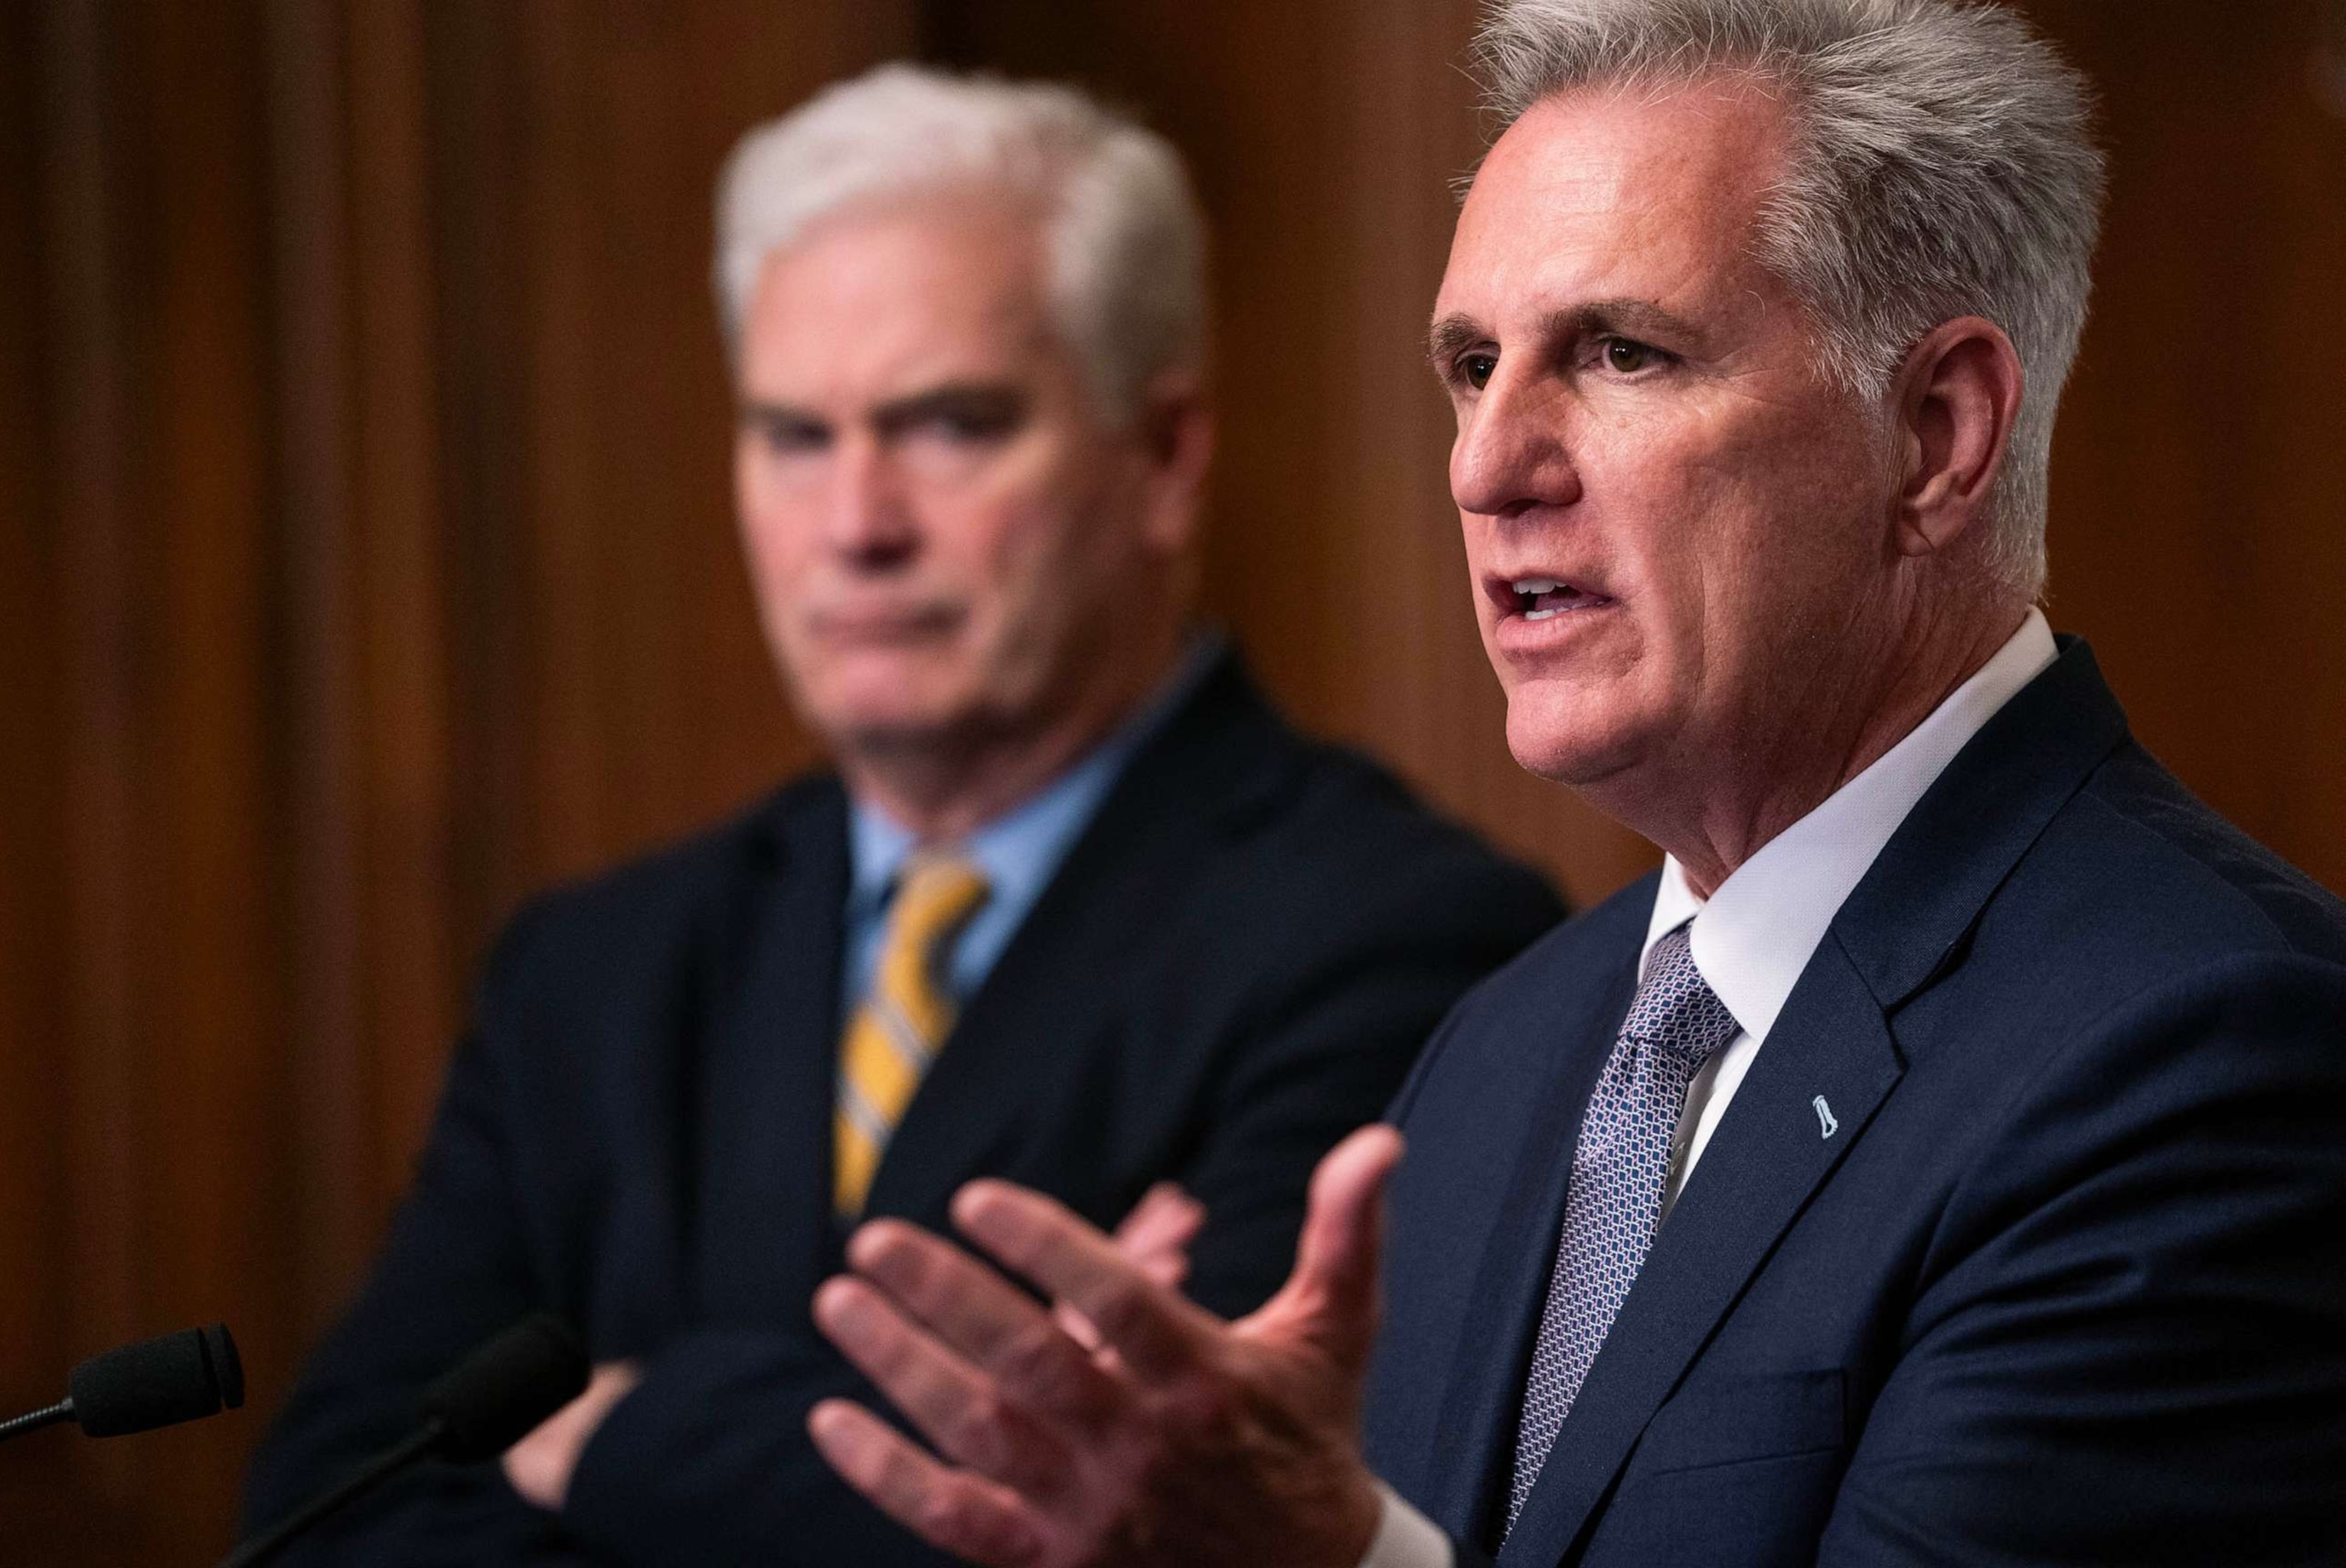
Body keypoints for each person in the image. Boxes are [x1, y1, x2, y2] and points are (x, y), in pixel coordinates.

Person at [800, 5, 2346, 1566]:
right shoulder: (1507, 1044)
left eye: (1620, 352)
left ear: (1937, 434)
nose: (1487, 465)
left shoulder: (2209, 1053)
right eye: (1474, 366)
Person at [238, 65, 1561, 1565]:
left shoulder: (1407, 938)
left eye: (947, 425)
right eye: (796, 435)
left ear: (1164, 456)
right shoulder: (592, 973)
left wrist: (617, 1426)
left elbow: (1200, 1522)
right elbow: (327, 1513)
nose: (856, 524)